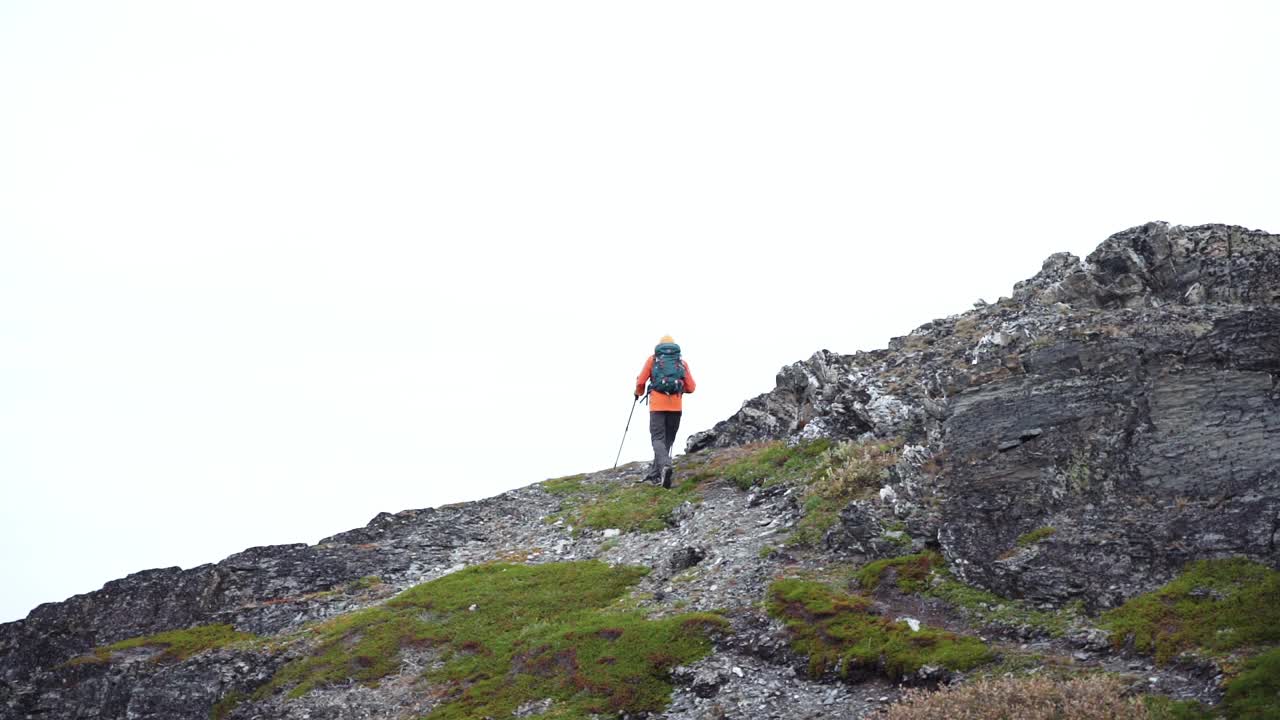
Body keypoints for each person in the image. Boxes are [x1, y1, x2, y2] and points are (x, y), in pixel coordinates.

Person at [634, 335, 696, 488]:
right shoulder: (681, 363)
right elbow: (691, 387)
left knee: (657, 439)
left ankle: (665, 465)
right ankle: (656, 474)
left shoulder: (653, 360)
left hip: (657, 406)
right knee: (668, 439)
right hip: (675, 406)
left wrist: (638, 392)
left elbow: (641, 381)